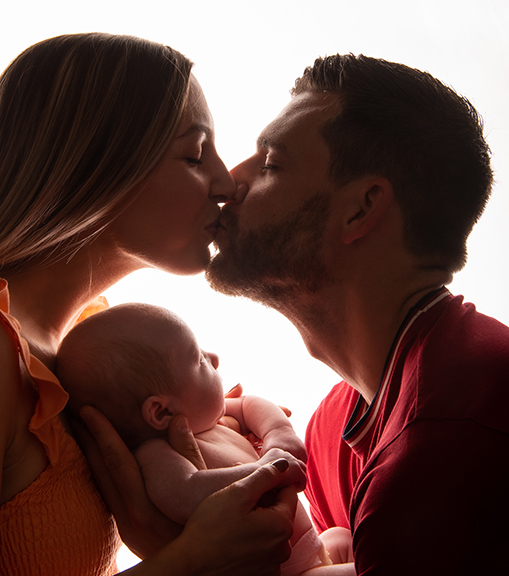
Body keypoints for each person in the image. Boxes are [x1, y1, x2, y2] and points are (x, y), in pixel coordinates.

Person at [0, 33, 302, 576]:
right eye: (194, 153)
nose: (225, 181)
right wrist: (193, 559)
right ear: (98, 164)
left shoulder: (97, 340)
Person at [206, 53, 509, 575]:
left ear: (361, 208)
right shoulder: (329, 435)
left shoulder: (451, 438)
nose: (229, 181)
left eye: (271, 162)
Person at [56, 301, 354, 574]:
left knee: (344, 536)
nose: (214, 357)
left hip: (311, 545)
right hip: (287, 569)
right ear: (160, 411)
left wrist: (278, 434)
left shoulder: (213, 421)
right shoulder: (156, 456)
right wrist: (264, 473)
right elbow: (187, 494)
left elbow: (253, 403)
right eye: (198, 359)